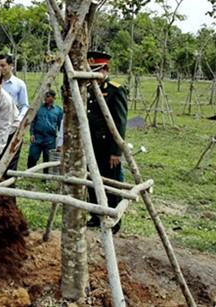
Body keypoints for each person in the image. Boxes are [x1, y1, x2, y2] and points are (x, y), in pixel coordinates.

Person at [85, 51, 128, 234]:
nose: (94, 75)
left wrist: (116, 152)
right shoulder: (87, 89)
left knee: (110, 182)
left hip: (107, 147)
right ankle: (96, 214)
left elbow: (119, 122)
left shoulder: (115, 90)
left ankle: (113, 218)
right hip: (91, 144)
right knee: (92, 180)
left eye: (97, 70)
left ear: (105, 69)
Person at [27, 90, 64, 174]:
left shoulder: (58, 110)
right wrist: (32, 133)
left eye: (48, 96)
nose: (45, 98)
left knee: (47, 158)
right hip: (38, 136)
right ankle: (29, 173)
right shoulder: (39, 108)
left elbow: (60, 125)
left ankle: (46, 177)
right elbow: (33, 121)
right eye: (45, 96)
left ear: (53, 98)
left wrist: (60, 142)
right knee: (32, 156)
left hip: (50, 138)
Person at [0, 54, 29, 121]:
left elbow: (24, 105)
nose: (0, 68)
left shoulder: (19, 84)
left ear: (10, 66)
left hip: (11, 121)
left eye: (3, 65)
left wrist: (19, 119)